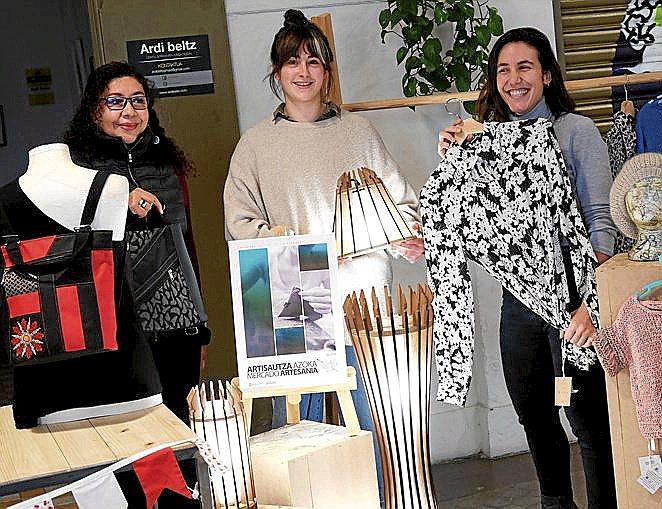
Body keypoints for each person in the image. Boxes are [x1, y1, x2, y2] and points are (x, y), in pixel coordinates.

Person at [223, 9, 424, 504]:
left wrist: (403, 233)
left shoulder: (359, 133)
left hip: (364, 295)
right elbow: (240, 222)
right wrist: (301, 246)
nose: (304, 71)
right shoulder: (255, 145)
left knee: (379, 418)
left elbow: (399, 203)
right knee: (304, 423)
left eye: (314, 60)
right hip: (294, 301)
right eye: (292, 61)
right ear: (276, 73)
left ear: (328, 71)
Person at [438, 28, 617, 509]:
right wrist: (459, 162)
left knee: (589, 418)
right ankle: (554, 502)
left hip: (577, 299)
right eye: (502, 70)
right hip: (520, 301)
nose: (513, 79)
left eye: (524, 67)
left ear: (547, 74)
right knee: (534, 414)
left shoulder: (576, 131)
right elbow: (476, 222)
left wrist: (592, 306)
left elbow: (602, 224)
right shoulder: (484, 142)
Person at [63, 61, 210, 424]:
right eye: (115, 102)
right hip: (114, 328)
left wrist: (201, 323)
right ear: (94, 109)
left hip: (177, 324)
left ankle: (185, 485)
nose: (128, 112)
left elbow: (186, 250)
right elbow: (68, 248)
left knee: (180, 424)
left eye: (138, 101)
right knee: (132, 433)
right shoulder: (75, 169)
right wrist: (117, 200)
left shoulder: (168, 165)